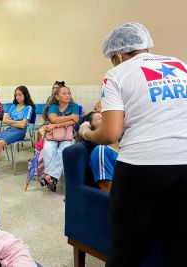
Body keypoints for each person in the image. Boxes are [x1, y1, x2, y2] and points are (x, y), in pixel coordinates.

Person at [78, 22, 187, 266]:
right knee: (180, 247)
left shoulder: (117, 74)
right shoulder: (180, 65)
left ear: (117, 54)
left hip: (144, 167)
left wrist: (86, 132)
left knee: (126, 249)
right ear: (145, 45)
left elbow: (110, 134)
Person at [39, 86, 79, 192]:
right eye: (64, 93)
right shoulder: (53, 106)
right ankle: (53, 178)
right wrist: (69, 117)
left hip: (67, 136)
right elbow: (53, 119)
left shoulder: (74, 106)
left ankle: (49, 177)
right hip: (52, 136)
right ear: (57, 96)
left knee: (63, 150)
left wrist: (56, 124)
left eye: (69, 93)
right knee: (48, 149)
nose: (68, 95)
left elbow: (74, 121)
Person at [79, 112, 118, 193]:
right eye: (100, 118)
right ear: (91, 129)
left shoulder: (125, 145)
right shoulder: (102, 150)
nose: (107, 118)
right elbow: (108, 189)